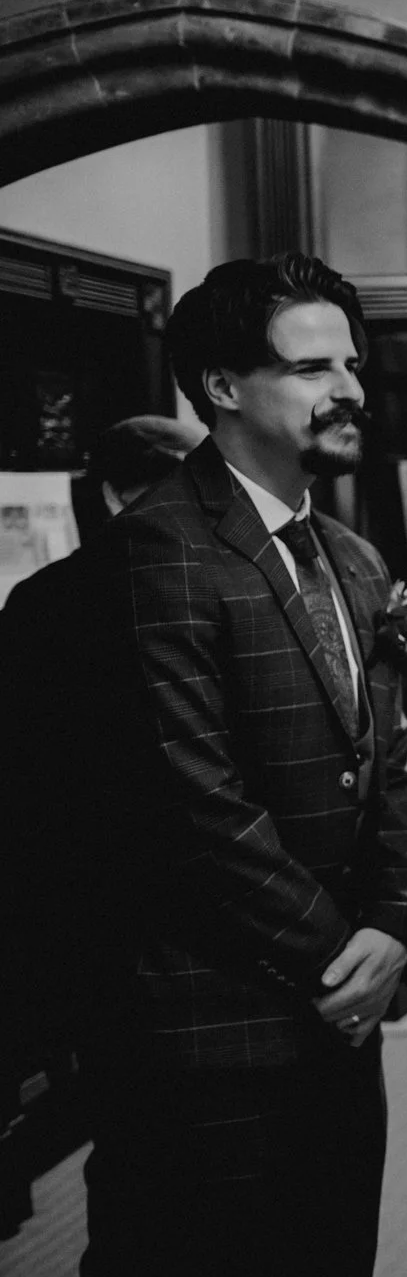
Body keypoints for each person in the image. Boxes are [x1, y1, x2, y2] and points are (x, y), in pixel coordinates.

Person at [73, 253, 407, 1277]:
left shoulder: (356, 562)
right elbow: (193, 803)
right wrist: (336, 958)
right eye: (314, 366)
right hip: (209, 1027)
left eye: (352, 364)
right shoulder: (158, 551)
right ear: (224, 388)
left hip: (340, 1027)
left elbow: (392, 769)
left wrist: (402, 918)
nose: (351, 389)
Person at [0, 411, 206, 1234]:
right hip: (99, 898)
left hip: (185, 898)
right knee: (135, 1156)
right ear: (121, 495)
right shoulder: (53, 600)